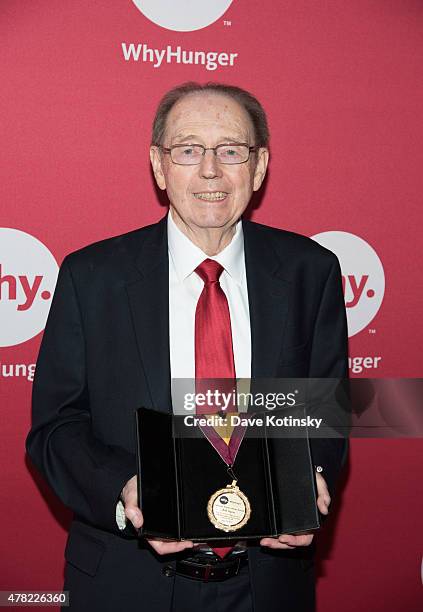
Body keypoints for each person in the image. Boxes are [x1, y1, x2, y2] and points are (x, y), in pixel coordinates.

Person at [26, 82, 348, 612]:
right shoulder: (91, 277)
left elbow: (323, 412)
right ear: (159, 165)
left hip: (268, 584)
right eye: (188, 150)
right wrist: (125, 491)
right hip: (126, 583)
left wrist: (306, 479)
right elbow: (55, 428)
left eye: (231, 151)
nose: (210, 171)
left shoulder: (310, 271)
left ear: (260, 165)